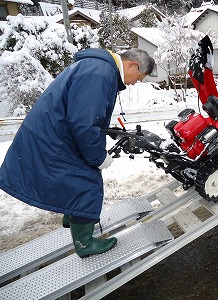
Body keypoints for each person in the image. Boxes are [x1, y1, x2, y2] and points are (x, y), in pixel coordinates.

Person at [0, 48, 155, 258]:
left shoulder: (97, 67)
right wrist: (98, 157)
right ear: (132, 65)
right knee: (86, 180)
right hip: (55, 137)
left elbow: (85, 114)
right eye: (140, 77)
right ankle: (85, 243)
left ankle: (73, 215)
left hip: (53, 132)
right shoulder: (100, 73)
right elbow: (83, 122)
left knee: (73, 177)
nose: (135, 82)